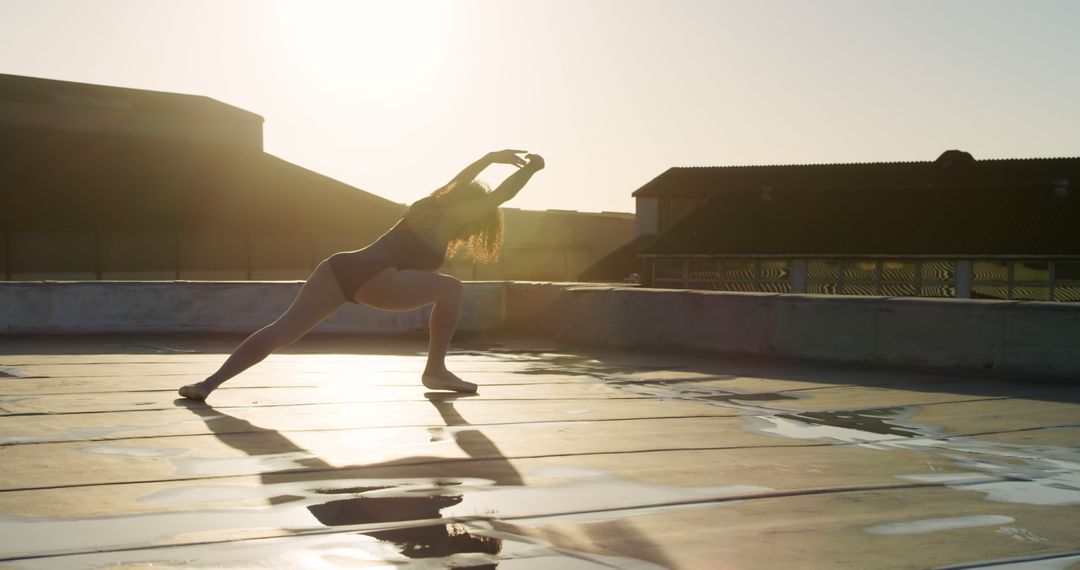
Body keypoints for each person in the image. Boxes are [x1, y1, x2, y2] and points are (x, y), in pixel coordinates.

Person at [178, 149, 545, 401]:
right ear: (470, 208)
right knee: (452, 288)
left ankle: (208, 384)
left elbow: (458, 180)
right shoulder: (454, 214)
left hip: (340, 267)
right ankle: (436, 370)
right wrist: (532, 169)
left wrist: (490, 159)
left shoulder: (428, 203)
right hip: (377, 278)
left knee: (282, 330)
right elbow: (501, 195)